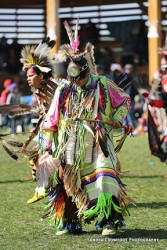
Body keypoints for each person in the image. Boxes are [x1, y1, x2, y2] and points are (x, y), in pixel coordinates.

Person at [42, 18, 132, 236]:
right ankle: (71, 221)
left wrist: (119, 119)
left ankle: (108, 219)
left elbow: (125, 100)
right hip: (70, 142)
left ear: (86, 72)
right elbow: (51, 119)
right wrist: (47, 147)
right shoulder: (63, 90)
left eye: (80, 78)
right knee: (67, 180)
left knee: (105, 176)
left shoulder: (102, 83)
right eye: (73, 79)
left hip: (99, 140)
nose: (77, 83)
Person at [19, 37, 59, 203]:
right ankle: (42, 188)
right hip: (47, 129)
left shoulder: (51, 85)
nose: (28, 79)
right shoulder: (41, 88)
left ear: (41, 75)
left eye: (31, 75)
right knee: (35, 156)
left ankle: (45, 189)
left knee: (46, 158)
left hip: (56, 130)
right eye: (27, 75)